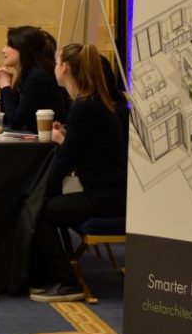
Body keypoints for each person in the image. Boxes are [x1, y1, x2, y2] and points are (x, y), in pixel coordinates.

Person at [29, 43, 128, 302]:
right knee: (44, 204)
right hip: (109, 192)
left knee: (39, 212)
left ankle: (67, 283)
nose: (53, 67)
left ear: (64, 68)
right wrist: (67, 136)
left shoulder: (84, 105)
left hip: (105, 197)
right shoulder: (91, 101)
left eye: (56, 62)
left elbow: (64, 161)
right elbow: (84, 148)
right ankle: (52, 275)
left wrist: (43, 193)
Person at [0, 25, 69, 132]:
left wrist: (5, 86)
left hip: (49, 139)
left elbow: (16, 122)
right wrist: (5, 86)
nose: (3, 50)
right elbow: (6, 118)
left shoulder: (37, 77)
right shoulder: (27, 75)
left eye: (9, 45)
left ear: (23, 48)